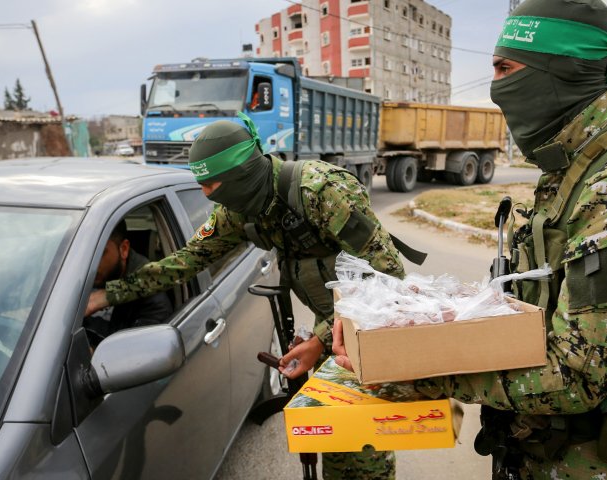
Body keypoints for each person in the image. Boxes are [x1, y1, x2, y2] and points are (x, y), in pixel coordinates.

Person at [331, 0, 607, 478]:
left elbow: (577, 373)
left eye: (506, 68)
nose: (497, 88)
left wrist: (417, 367)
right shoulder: (577, 167)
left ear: (561, 69)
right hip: (542, 450)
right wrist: (427, 317)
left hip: (594, 464)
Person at [86, 113, 411, 479]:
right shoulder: (236, 213)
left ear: (242, 173)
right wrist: (107, 295)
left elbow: (387, 276)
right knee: (335, 439)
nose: (206, 194)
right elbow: (185, 262)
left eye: (211, 184)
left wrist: (320, 340)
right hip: (331, 328)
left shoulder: (320, 191)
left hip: (366, 328)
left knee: (362, 447)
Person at [84, 220, 174, 348]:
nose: (89, 265)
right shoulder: (72, 278)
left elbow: (131, 357)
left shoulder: (153, 303)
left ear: (124, 249)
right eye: (84, 254)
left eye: (99, 254)